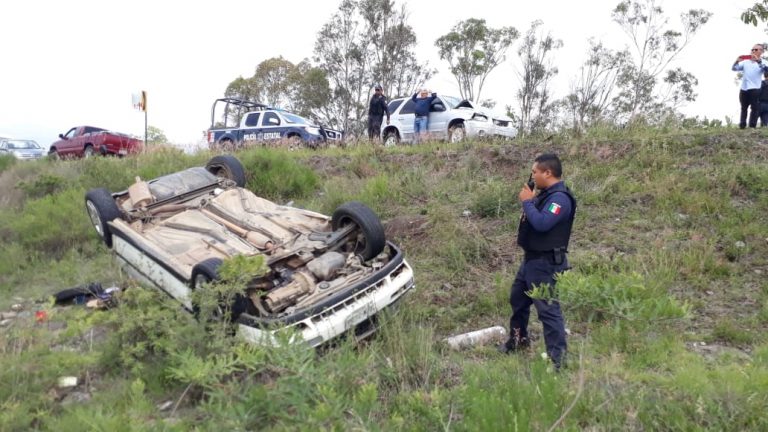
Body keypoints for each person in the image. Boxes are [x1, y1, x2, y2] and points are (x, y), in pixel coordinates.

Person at [498, 153, 576, 370]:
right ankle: (518, 341)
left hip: (546, 264)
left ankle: (557, 360)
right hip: (531, 261)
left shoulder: (560, 199)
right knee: (518, 300)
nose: (532, 176)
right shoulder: (545, 195)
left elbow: (542, 223)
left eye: (534, 172)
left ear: (547, 173)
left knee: (548, 310)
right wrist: (531, 202)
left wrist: (527, 202)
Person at [732, 44, 768, 129]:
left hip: (755, 88)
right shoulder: (745, 62)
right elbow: (734, 68)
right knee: (743, 108)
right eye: (752, 49)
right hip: (744, 88)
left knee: (754, 108)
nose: (753, 51)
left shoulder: (764, 62)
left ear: (761, 51)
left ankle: (752, 126)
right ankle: (742, 126)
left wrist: (758, 61)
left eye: (756, 50)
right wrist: (736, 61)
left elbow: (766, 70)